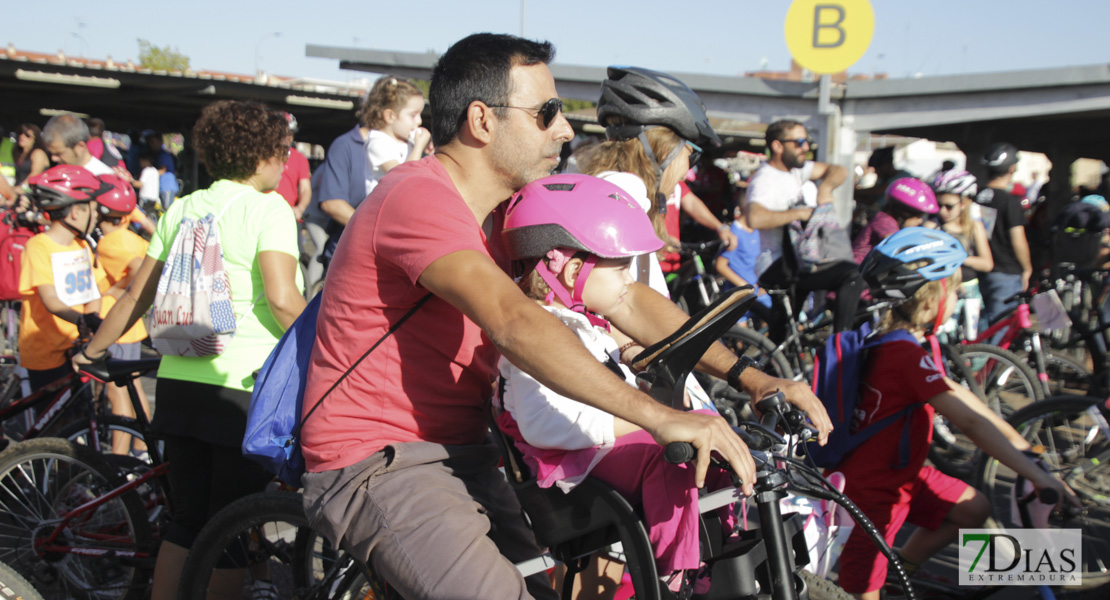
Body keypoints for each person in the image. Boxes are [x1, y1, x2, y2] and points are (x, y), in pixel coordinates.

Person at [299, 33, 831, 600]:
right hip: (379, 458)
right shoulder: (417, 199)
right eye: (546, 112)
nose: (567, 130)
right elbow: (512, 320)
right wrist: (657, 416)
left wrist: (754, 379)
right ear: (482, 120)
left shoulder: (516, 213)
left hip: (467, 450)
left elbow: (622, 299)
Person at [73, 100, 306, 600]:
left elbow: (138, 295)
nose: (286, 161)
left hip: (179, 385)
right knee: (227, 526)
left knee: (187, 518)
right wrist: (330, 351)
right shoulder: (268, 210)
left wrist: (93, 350)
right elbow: (285, 299)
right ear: (261, 154)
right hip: (239, 390)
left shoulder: (183, 206)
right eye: (282, 151)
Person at [496, 173, 737, 588]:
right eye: (622, 269)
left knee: (713, 453)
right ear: (572, 271)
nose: (630, 280)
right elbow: (542, 424)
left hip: (600, 451)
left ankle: (724, 545)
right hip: (571, 460)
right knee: (670, 456)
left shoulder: (585, 324)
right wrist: (649, 420)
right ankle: (676, 574)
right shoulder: (537, 333)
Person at [837, 227, 1077, 600]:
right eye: (957, 289)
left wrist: (1028, 453)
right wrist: (1038, 477)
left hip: (901, 476)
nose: (959, 298)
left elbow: (965, 402)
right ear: (933, 300)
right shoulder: (904, 356)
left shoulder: (903, 341)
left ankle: (901, 574)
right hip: (873, 493)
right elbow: (970, 422)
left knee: (972, 508)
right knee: (859, 593)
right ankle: (883, 581)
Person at [583, 65, 725, 298]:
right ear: (662, 149)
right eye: (691, 154)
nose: (689, 168)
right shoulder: (624, 195)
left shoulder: (617, 198)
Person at [746, 119, 861, 343]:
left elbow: (838, 170)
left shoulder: (796, 171)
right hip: (777, 264)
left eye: (807, 141)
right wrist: (800, 214)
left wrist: (826, 187)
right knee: (850, 275)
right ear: (778, 146)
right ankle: (840, 347)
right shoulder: (764, 180)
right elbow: (754, 217)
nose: (806, 148)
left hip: (798, 261)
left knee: (784, 338)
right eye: (799, 142)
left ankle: (774, 368)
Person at [20, 165, 109, 392]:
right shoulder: (38, 246)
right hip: (45, 349)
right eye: (93, 208)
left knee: (80, 414)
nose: (97, 214)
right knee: (54, 421)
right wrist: (81, 320)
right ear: (76, 212)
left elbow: (93, 291)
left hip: (77, 345)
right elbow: (50, 299)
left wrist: (92, 317)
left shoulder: (83, 246)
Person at [92, 174, 154, 456]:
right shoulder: (131, 237)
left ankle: (118, 458)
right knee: (134, 388)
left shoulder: (110, 243)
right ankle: (143, 446)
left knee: (116, 393)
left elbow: (137, 268)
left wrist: (114, 292)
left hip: (115, 324)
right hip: (133, 329)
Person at [974, 142, 1032, 332]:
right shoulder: (1010, 202)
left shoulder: (974, 197)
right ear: (1012, 168)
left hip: (975, 271)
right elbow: (1018, 239)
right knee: (1000, 330)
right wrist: (1027, 268)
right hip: (1005, 273)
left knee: (978, 330)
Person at [931, 170, 993, 339]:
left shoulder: (974, 226)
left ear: (964, 203)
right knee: (941, 340)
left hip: (969, 291)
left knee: (974, 342)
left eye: (949, 206)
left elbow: (987, 263)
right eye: (939, 205)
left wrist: (957, 257)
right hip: (941, 289)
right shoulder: (932, 226)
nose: (942, 211)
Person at [362, 76, 431, 197]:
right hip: (384, 210)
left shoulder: (408, 141)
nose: (419, 121)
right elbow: (402, 178)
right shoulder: (377, 143)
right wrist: (418, 148)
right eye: (413, 115)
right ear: (390, 116)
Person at [851, 177, 938, 264]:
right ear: (905, 212)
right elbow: (897, 244)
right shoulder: (885, 221)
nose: (920, 221)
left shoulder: (886, 219)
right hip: (857, 270)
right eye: (918, 216)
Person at [716, 194, 771, 310]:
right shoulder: (735, 233)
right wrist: (746, 287)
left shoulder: (756, 230)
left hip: (760, 291)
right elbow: (720, 265)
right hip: (742, 296)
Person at [42, 113, 114, 176]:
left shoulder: (104, 180)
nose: (53, 158)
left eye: (59, 154)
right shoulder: (54, 174)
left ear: (80, 146)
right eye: (51, 153)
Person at [274, 112, 312, 219]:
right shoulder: (264, 155)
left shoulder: (300, 158)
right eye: (283, 133)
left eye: (290, 133)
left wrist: (300, 208)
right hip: (265, 213)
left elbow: (305, 189)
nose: (287, 137)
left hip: (290, 214)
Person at [13, 123, 49, 188]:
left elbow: (35, 174)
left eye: (27, 135)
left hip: (32, 192)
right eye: (21, 133)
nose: (22, 136)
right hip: (19, 190)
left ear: (35, 139)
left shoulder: (38, 153)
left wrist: (22, 188)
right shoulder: (20, 154)